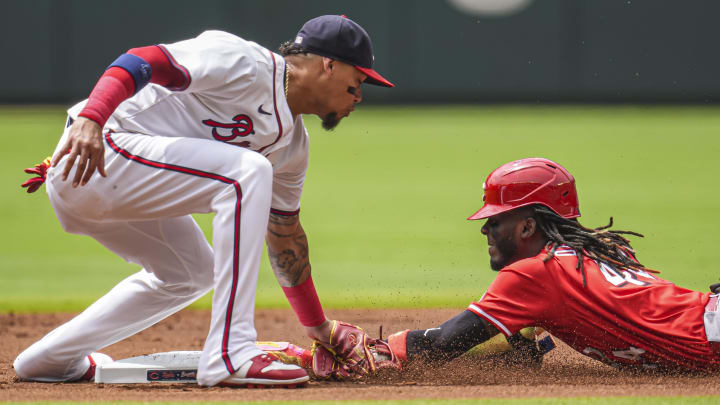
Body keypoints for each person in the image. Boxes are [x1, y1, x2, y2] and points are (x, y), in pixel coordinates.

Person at [14, 15, 393, 387]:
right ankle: (231, 353)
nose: (359, 95)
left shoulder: (293, 147)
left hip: (123, 184)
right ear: (328, 64)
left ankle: (52, 359)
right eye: (357, 80)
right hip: (97, 154)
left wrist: (321, 329)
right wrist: (92, 119)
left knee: (191, 272)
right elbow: (141, 59)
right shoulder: (246, 64)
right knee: (247, 171)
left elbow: (285, 236)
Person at [385, 158, 720, 373]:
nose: (485, 229)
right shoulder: (601, 250)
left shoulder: (532, 273)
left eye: (496, 220)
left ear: (528, 227)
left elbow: (442, 343)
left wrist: (382, 350)